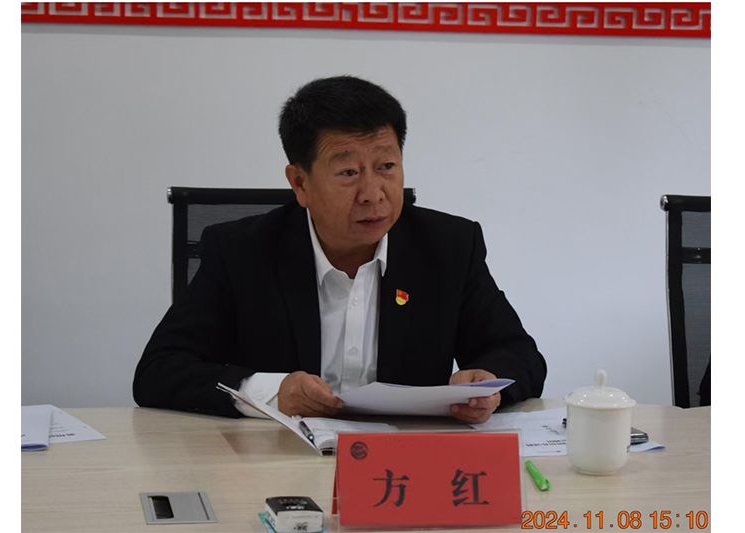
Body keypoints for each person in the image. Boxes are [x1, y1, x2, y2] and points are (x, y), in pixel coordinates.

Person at [133, 76, 546, 424]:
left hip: (405, 463)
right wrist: (272, 392)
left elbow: (520, 355)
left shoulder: (449, 247)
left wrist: (487, 383)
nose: (373, 193)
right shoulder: (241, 251)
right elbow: (159, 370)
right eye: (348, 172)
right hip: (276, 459)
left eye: (386, 167)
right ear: (300, 183)